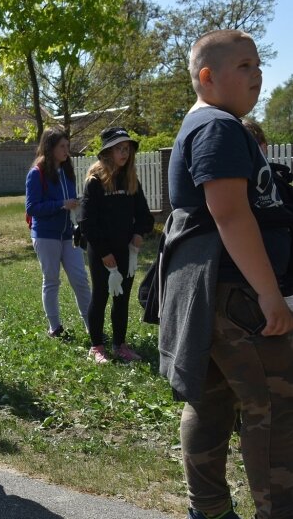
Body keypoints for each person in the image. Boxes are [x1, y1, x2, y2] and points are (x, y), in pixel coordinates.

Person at [160, 30, 293, 519]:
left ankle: (209, 510)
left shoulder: (208, 124)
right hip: (239, 298)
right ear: (207, 77)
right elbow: (229, 213)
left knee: (211, 401)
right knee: (276, 410)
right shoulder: (217, 126)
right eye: (244, 66)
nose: (257, 76)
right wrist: (270, 295)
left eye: (259, 65)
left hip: (214, 297)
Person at [80, 127, 154, 364]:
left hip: (126, 250)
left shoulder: (131, 179)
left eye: (127, 149)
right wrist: (104, 253)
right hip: (101, 250)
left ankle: (120, 344)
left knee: (122, 298)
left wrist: (139, 234)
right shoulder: (95, 181)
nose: (124, 153)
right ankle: (97, 347)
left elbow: (144, 215)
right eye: (119, 148)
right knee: (100, 296)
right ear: (108, 152)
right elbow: (87, 223)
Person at [25, 126, 92, 339]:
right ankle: (55, 327)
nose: (67, 151)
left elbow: (69, 201)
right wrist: (61, 204)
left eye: (67, 146)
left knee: (80, 279)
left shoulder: (67, 171)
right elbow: (32, 208)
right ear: (50, 147)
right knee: (52, 280)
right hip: (45, 235)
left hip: (68, 235)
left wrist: (76, 205)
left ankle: (93, 326)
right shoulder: (36, 174)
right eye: (62, 146)